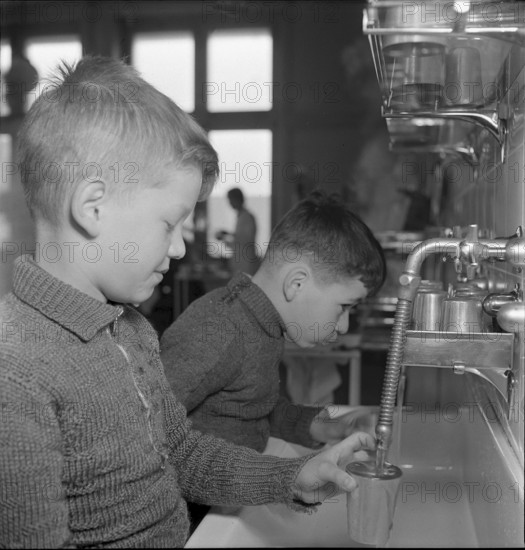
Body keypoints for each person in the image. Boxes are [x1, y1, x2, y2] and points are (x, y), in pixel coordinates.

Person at [0, 56, 375, 548]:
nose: (179, 247)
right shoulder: (18, 373)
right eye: (169, 223)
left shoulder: (129, 329)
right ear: (93, 208)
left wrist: (290, 476)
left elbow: (180, 453)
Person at [161, 190, 386, 452]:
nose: (343, 325)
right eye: (344, 307)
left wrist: (319, 425)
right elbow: (146, 426)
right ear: (296, 283)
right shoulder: (219, 330)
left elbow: (251, 407)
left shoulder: (263, 325)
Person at [216, 187, 259, 275]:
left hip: (245, 264)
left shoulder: (246, 217)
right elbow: (241, 237)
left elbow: (244, 241)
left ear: (237, 199)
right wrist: (228, 235)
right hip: (241, 264)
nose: (230, 203)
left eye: (231, 200)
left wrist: (225, 239)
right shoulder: (242, 217)